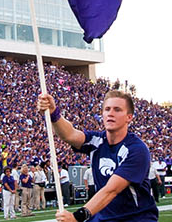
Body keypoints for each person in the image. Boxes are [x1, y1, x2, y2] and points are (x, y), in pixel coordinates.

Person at [35, 89, 157, 222]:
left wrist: (77, 217)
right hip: (103, 217)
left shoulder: (136, 149)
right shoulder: (97, 140)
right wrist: (53, 113)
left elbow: (111, 190)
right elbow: (70, 135)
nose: (110, 113)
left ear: (129, 117)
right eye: (107, 109)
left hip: (134, 218)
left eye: (117, 110)